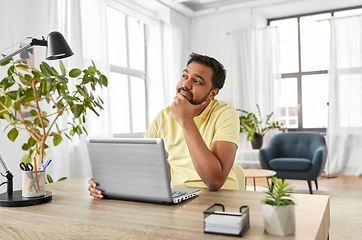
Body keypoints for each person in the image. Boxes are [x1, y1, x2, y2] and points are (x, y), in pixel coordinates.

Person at [88, 52, 240, 199]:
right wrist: (106, 183)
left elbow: (215, 181)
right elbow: (141, 164)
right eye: (184, 76)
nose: (185, 84)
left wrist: (185, 119)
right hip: (180, 197)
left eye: (197, 81)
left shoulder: (225, 114)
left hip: (220, 200)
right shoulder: (164, 116)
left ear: (213, 93)